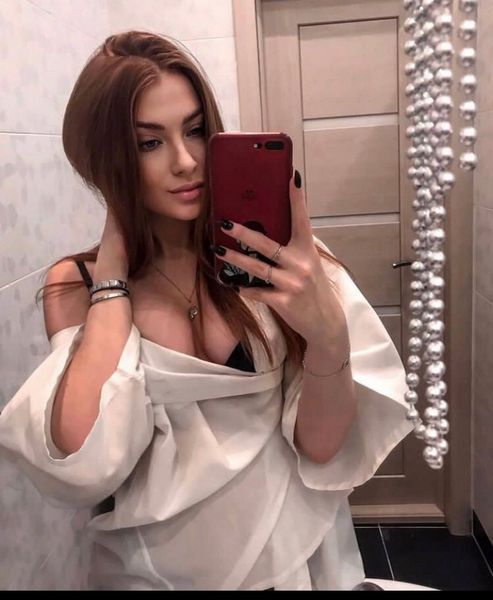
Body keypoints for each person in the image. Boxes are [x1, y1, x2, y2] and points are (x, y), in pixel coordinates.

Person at [0, 31, 414, 590]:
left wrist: (329, 336)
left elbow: (320, 447)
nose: (186, 161)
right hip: (151, 574)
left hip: (292, 559)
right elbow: (83, 463)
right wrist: (114, 276)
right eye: (149, 143)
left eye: (195, 130)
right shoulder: (79, 284)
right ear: (104, 159)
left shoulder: (283, 266)